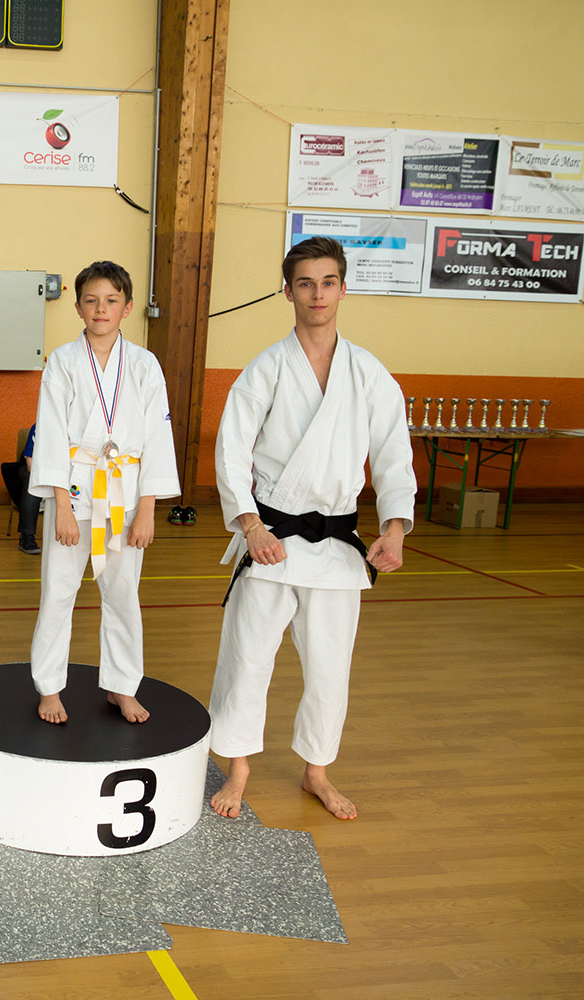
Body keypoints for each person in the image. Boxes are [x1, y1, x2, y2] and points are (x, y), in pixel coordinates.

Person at [207, 236, 415, 820]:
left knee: (329, 669)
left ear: (343, 289)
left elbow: (393, 455)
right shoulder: (266, 369)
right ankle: (238, 768)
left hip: (338, 549)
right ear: (288, 291)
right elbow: (231, 452)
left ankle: (317, 771)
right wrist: (250, 525)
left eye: (327, 283)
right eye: (305, 283)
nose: (317, 294)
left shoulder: (368, 373)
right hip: (270, 537)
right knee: (247, 660)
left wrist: (394, 528)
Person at [28, 261, 180, 725]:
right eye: (91, 301)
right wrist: (61, 507)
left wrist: (147, 510)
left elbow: (157, 439)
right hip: (74, 488)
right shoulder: (62, 361)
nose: (101, 309)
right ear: (77, 307)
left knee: (123, 594)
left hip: (126, 493)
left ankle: (122, 686)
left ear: (127, 307)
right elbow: (51, 435)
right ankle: (49, 687)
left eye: (111, 300)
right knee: (59, 592)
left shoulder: (145, 365)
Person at [0, 423, 41, 554]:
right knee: (31, 481)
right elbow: (30, 465)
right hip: (35, 469)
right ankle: (26, 536)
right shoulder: (40, 426)